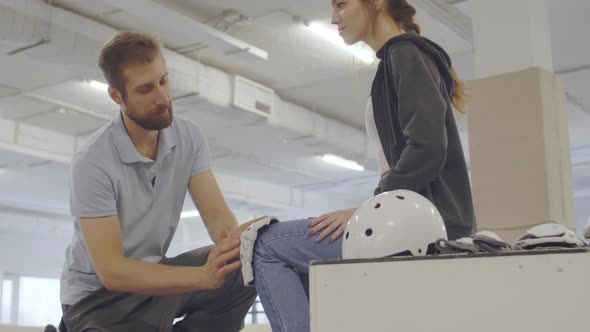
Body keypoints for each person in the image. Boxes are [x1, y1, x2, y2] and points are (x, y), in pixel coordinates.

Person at [252, 0, 476, 331]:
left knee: (266, 245)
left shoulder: (406, 54)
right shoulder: (398, 59)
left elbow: (427, 149)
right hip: (418, 221)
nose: (333, 18)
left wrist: (370, 208)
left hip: (424, 227)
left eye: (341, 5)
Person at [58, 31, 258, 332]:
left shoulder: (189, 137)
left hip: (155, 278)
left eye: (164, 80)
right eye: (145, 89)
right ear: (116, 96)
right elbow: (113, 271)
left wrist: (242, 240)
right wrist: (201, 277)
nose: (162, 97)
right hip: (98, 301)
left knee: (243, 264)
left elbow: (218, 218)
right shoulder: (92, 161)